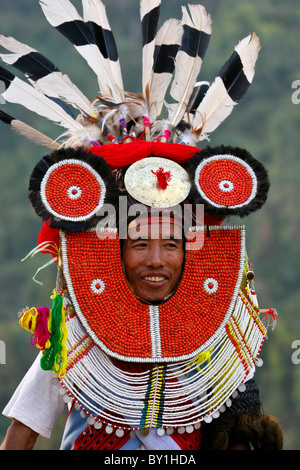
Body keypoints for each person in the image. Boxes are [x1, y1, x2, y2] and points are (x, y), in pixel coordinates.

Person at [0, 0, 283, 451]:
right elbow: (21, 431)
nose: (156, 259)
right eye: (139, 243)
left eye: (171, 244)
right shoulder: (75, 339)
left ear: (189, 250)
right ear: (116, 250)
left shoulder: (221, 337)